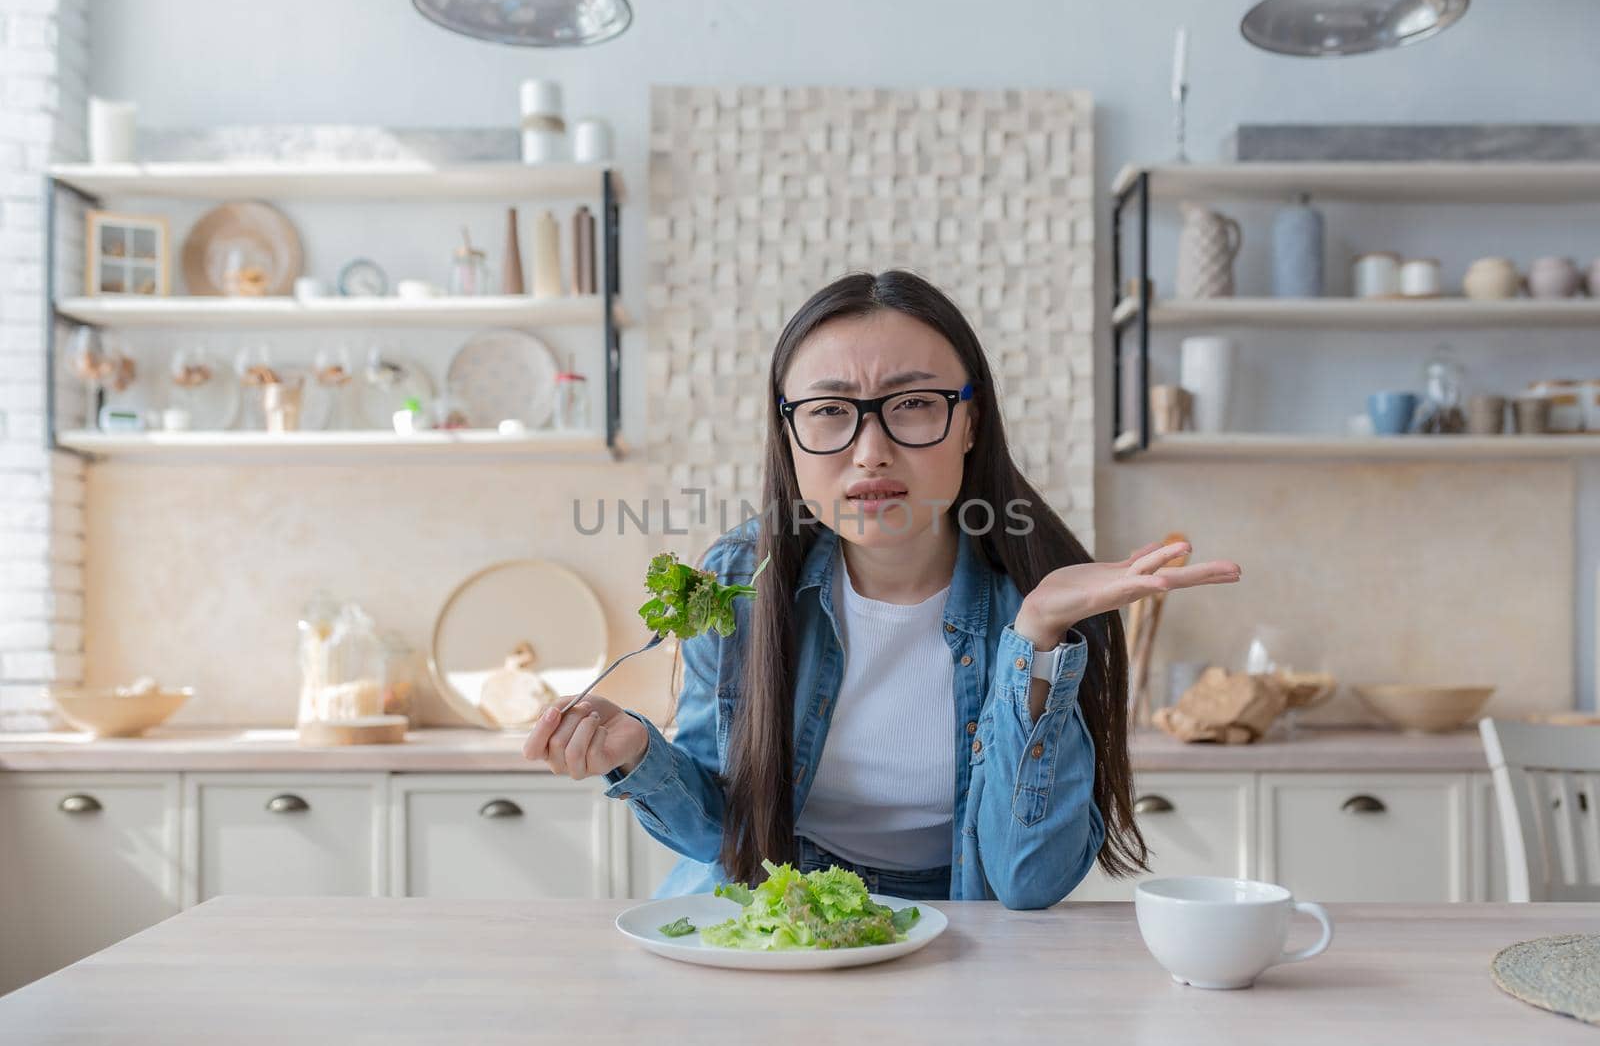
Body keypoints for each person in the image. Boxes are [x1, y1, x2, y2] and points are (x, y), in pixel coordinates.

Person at [523, 270, 1240, 908]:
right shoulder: (739, 578)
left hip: (958, 925)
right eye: (831, 411)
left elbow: (1028, 880)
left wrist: (1038, 638)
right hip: (773, 916)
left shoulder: (1035, 592)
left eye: (914, 404)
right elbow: (724, 833)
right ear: (790, 435)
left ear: (970, 422)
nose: (871, 450)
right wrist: (637, 754)